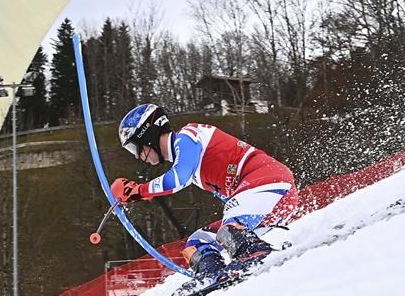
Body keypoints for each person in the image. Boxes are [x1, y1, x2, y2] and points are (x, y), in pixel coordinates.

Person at [111, 103, 298, 277]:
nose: (137, 156)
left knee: (228, 231)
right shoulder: (185, 157)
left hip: (270, 181)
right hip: (263, 208)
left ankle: (255, 253)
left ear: (148, 136)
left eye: (134, 148)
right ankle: (213, 274)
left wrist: (139, 191)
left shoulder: (188, 137)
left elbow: (176, 180)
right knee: (196, 244)